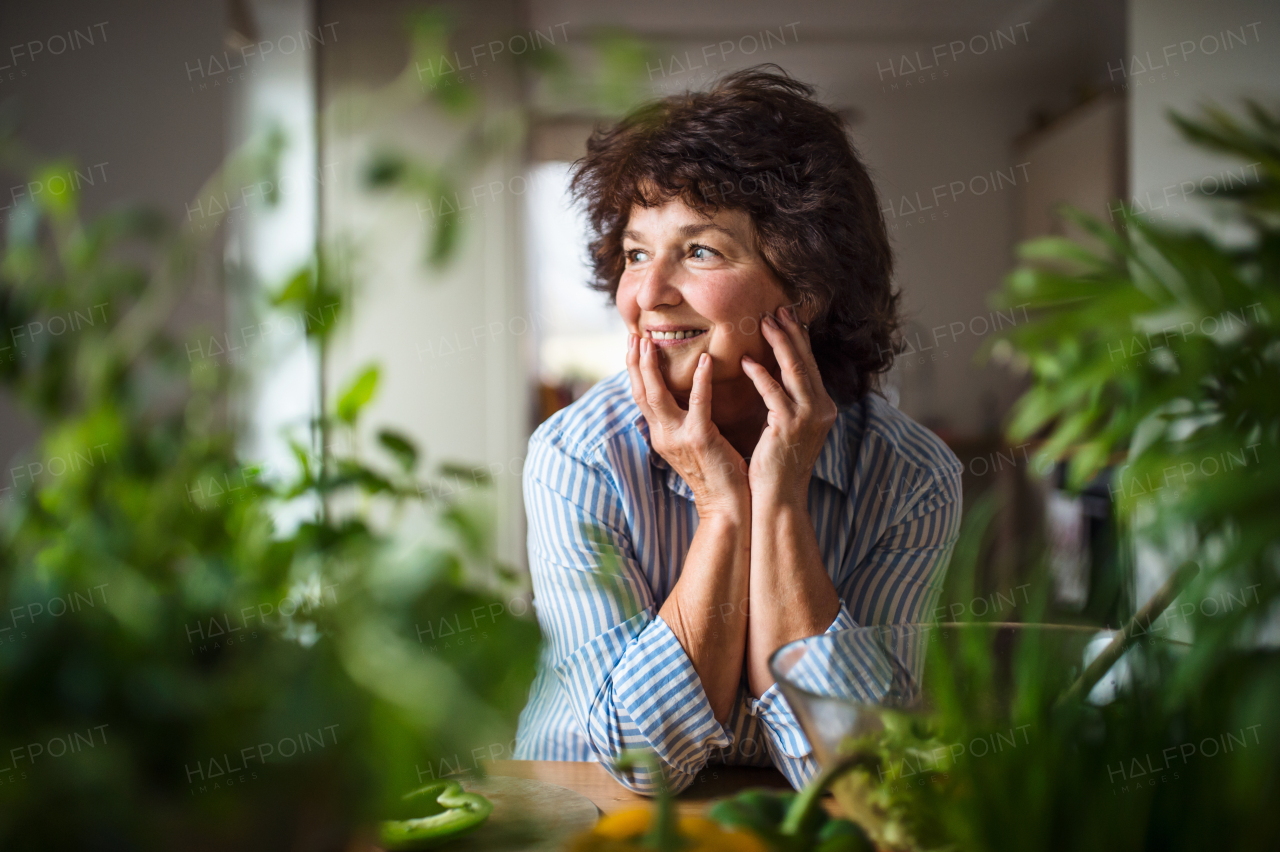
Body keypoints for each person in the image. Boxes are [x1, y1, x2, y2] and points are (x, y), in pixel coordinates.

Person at [513, 66, 962, 794]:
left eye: (699, 251)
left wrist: (778, 501)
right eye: (635, 253)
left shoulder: (910, 476)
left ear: (807, 287)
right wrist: (722, 509)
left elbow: (858, 767)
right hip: (585, 816)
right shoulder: (576, 457)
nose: (648, 295)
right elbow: (640, 762)